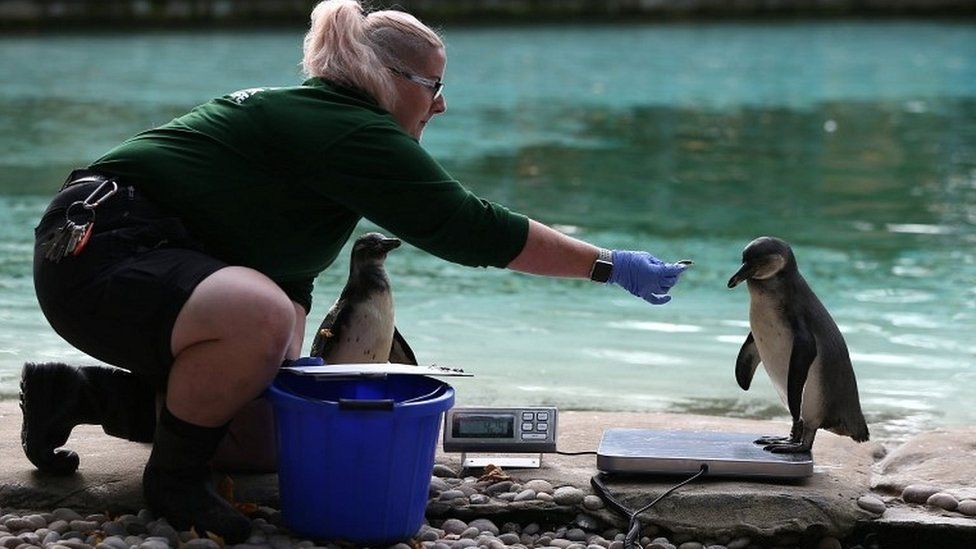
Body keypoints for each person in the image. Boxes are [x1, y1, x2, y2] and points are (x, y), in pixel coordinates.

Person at [23, 0, 688, 542]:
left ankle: (82, 396)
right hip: (94, 246)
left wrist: (279, 369)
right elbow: (466, 226)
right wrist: (606, 264)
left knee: (271, 428)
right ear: (393, 80)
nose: (441, 105)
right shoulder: (350, 127)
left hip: (128, 260)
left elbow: (282, 268)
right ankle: (172, 484)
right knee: (261, 322)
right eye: (436, 87)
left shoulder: (331, 131)